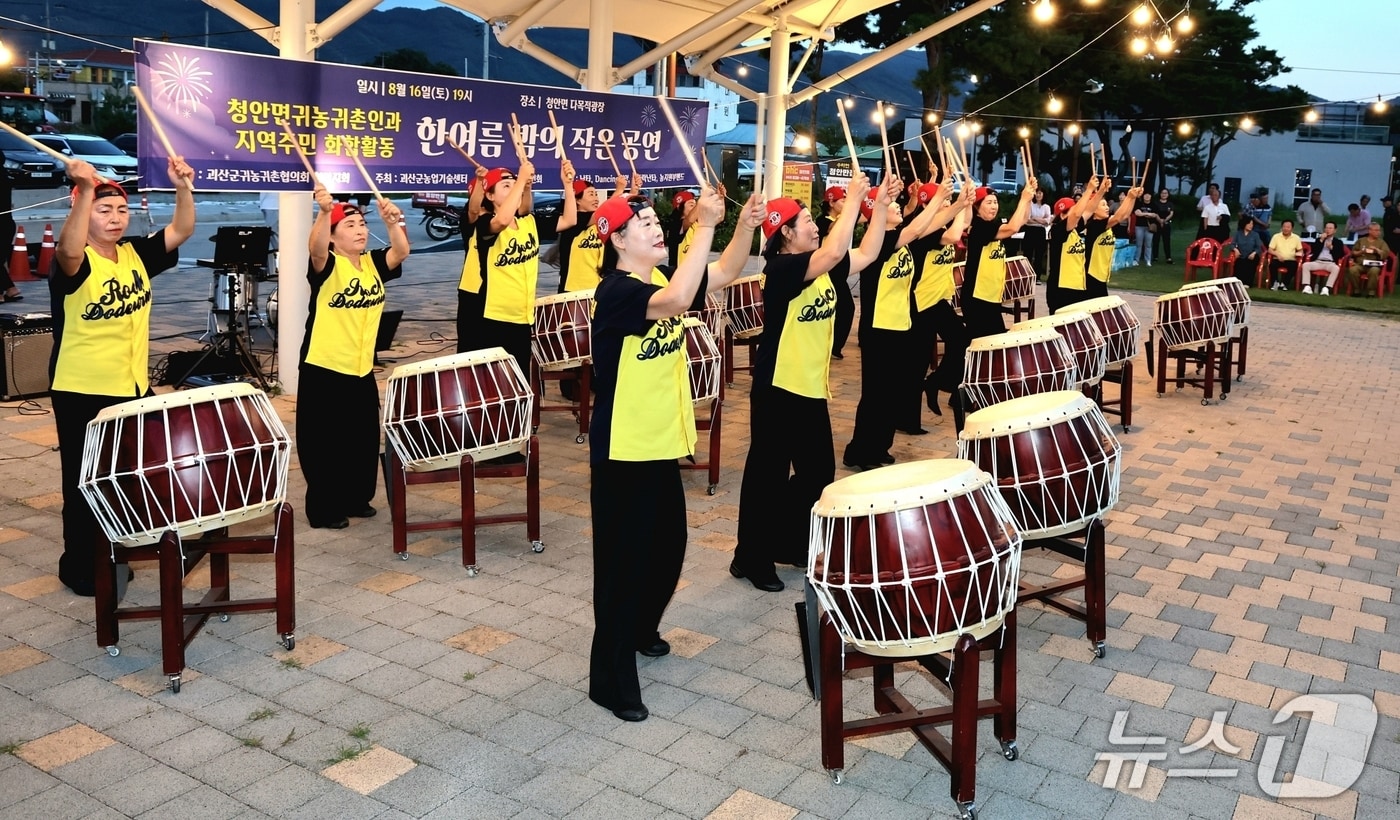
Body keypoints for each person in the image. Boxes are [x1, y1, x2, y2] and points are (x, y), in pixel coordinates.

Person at [587, 189, 764, 722]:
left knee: (666, 551)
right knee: (621, 566)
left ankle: (642, 630)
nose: (656, 227)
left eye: (654, 220)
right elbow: (679, 302)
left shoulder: (661, 279)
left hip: (660, 446)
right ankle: (609, 679)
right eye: (643, 224)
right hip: (623, 453)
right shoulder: (616, 291)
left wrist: (742, 225)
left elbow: (725, 272)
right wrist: (704, 227)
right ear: (617, 240)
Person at [50, 157, 196, 595]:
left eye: (120, 211)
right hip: (82, 389)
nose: (114, 219)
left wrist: (183, 187)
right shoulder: (73, 260)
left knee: (137, 473)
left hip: (131, 386)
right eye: (102, 209)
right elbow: (69, 250)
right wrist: (82, 190)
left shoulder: (134, 253)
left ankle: (122, 548)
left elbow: (182, 230)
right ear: (83, 208)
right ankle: (81, 566)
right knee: (84, 483)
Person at [731, 174, 880, 592]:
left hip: (812, 389)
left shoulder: (824, 268)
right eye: (807, 221)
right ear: (785, 236)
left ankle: (785, 541)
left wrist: (879, 206)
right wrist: (853, 199)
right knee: (768, 477)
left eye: (816, 218)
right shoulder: (781, 270)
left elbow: (867, 251)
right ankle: (751, 557)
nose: (815, 225)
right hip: (778, 389)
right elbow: (835, 248)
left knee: (818, 474)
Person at [299, 189, 410, 529]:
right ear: (333, 237)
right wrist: (322, 213)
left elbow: (401, 251)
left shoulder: (373, 262)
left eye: (362, 223)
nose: (360, 230)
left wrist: (393, 223)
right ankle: (324, 508)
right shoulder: (328, 264)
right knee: (324, 444)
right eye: (349, 225)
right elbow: (315, 249)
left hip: (361, 366)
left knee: (361, 438)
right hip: (325, 365)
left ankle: (355, 497)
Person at [844, 174, 955, 467]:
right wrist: (939, 195)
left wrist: (952, 204)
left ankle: (880, 445)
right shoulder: (879, 241)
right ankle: (861, 449)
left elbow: (927, 227)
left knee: (891, 393)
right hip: (879, 328)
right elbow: (918, 225)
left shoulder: (904, 243)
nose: (898, 207)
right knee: (875, 395)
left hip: (901, 325)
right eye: (892, 205)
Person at [903, 178, 971, 424]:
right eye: (944, 201)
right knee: (917, 361)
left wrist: (967, 200)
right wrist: (962, 206)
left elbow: (965, 222)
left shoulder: (937, 227)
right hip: (921, 301)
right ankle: (908, 418)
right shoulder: (925, 231)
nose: (948, 205)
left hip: (938, 300)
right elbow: (955, 235)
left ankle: (936, 383)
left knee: (961, 340)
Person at [476, 160, 538, 379]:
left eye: (514, 184)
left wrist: (526, 185)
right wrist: (520, 180)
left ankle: (521, 415)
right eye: (506, 186)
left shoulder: (524, 222)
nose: (513, 188)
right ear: (490, 196)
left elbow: (524, 209)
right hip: (496, 316)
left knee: (520, 381)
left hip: (523, 315)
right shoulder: (485, 222)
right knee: (497, 383)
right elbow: (502, 219)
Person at [959, 179, 1039, 339]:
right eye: (989, 202)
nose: (994, 206)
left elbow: (1022, 220)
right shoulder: (979, 226)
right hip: (977, 298)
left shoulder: (991, 225)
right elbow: (1012, 227)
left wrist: (1028, 198)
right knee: (983, 345)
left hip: (990, 296)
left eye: (995, 202)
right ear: (977, 206)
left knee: (992, 344)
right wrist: (1023, 199)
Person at [1045, 179, 1103, 315]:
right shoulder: (1058, 230)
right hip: (1061, 289)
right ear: (1062, 215)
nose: (1077, 215)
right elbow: (1077, 214)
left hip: (1077, 287)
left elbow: (1089, 209)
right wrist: (1088, 190)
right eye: (1071, 211)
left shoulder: (1076, 229)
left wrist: (1100, 191)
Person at [1082, 182, 1142, 301]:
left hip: (1101, 274)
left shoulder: (1105, 224)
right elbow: (1118, 217)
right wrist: (1129, 197)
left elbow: (1124, 215)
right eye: (1103, 205)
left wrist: (1133, 198)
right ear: (1093, 209)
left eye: (1106, 205)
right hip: (1091, 275)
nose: (1107, 207)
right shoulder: (1094, 225)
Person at [817, 186, 856, 358]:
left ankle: (834, 346)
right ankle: (830, 345)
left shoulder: (843, 218)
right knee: (841, 308)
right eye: (843, 200)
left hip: (839, 274)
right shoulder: (822, 221)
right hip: (826, 274)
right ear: (831, 203)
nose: (846, 203)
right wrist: (849, 211)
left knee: (846, 308)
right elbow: (832, 228)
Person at [1300, 222, 1345, 295]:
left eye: (1330, 228)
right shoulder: (1319, 239)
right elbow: (1313, 251)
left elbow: (1340, 255)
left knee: (1336, 268)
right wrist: (1321, 240)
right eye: (1326, 228)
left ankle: (1326, 288)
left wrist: (1331, 248)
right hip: (1318, 262)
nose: (1328, 230)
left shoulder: (1338, 242)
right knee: (1305, 265)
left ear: (1335, 230)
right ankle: (1307, 286)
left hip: (1330, 263)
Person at [1346, 222, 1388, 297]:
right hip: (1360, 264)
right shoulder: (1361, 241)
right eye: (1376, 230)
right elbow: (1353, 252)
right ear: (1369, 231)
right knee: (1353, 270)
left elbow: (1385, 253)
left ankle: (1371, 292)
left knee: (1374, 271)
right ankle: (1357, 290)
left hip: (1373, 265)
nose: (1379, 232)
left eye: (1379, 230)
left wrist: (1377, 250)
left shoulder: (1382, 242)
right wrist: (1362, 251)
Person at [1023, 187, 1053, 280]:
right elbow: (1027, 220)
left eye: (1040, 193)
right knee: (1028, 253)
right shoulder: (1031, 205)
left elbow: (1047, 221)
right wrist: (1040, 220)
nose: (1038, 195)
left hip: (1040, 231)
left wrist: (1035, 218)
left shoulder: (1046, 207)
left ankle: (1038, 277)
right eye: (1037, 193)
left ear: (1043, 195)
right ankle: (1026, 275)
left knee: (1039, 255)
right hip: (1030, 231)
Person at [1266, 219, 1302, 291]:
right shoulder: (1276, 236)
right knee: (1272, 265)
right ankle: (1275, 283)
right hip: (1278, 259)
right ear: (1281, 227)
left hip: (1290, 260)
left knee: (1294, 266)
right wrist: (1277, 254)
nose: (1286, 229)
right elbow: (1270, 249)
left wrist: (1298, 253)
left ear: (1292, 228)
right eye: (1284, 227)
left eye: (1288, 227)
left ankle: (1284, 284)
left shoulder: (1296, 238)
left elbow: (1300, 250)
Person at [1227, 215, 1263, 284]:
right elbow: (1232, 244)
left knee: (1250, 264)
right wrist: (1235, 250)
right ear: (1244, 224)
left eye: (1252, 224)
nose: (1251, 225)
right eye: (1249, 224)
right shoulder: (1238, 234)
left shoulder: (1255, 235)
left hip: (1252, 256)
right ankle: (1238, 283)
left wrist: (1254, 253)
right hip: (1241, 255)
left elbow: (1259, 247)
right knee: (1239, 264)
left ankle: (1248, 283)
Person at [1149, 188, 1175, 264]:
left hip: (1166, 224)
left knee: (1166, 241)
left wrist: (1164, 220)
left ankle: (1168, 257)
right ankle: (1155, 257)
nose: (1164, 194)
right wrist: (1160, 220)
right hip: (1157, 224)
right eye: (1162, 193)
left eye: (1165, 193)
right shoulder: (1156, 203)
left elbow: (1171, 213)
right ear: (1160, 194)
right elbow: (1155, 213)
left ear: (1168, 194)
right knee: (1156, 241)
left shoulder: (1170, 204)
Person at [1132, 193, 1159, 266]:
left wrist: (1143, 214)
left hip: (1149, 227)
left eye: (1149, 195)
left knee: (1148, 244)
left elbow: (1154, 215)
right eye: (1145, 195)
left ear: (1151, 196)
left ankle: (1148, 260)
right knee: (1138, 244)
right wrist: (1148, 214)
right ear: (1143, 196)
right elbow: (1137, 214)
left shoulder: (1154, 205)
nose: (1147, 196)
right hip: (1139, 226)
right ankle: (1136, 260)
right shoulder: (1139, 204)